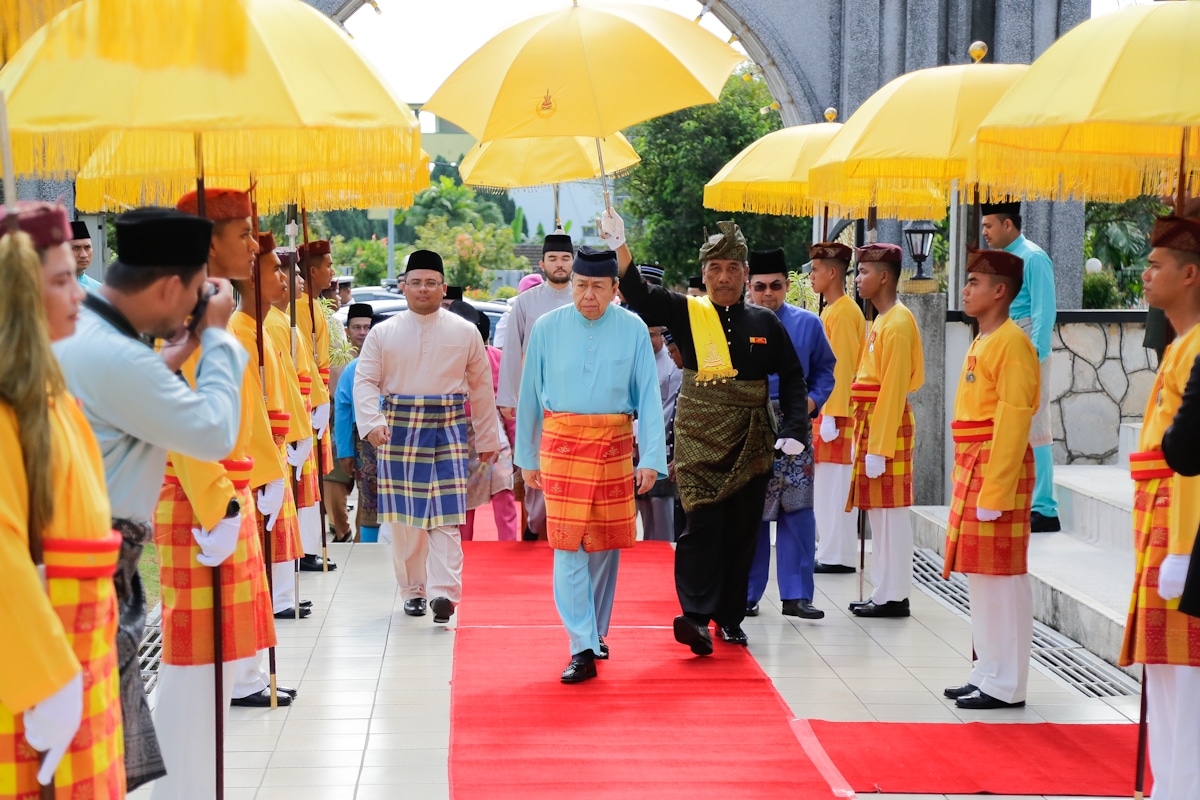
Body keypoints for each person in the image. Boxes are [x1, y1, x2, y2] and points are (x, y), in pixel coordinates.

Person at [55, 207, 249, 788]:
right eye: (192, 293)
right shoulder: (117, 355)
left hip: (85, 556)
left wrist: (178, 350)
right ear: (172, 287)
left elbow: (129, 390)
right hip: (84, 570)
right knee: (87, 758)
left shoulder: (87, 330)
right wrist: (216, 337)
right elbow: (213, 429)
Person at [606, 212, 811, 654]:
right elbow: (640, 294)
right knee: (699, 526)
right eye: (715, 269)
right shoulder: (687, 310)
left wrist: (795, 428)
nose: (724, 277)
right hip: (698, 438)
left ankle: (730, 617)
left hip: (751, 441)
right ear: (704, 275)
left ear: (745, 275)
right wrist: (620, 242)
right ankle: (695, 616)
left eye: (733, 269)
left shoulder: (765, 322)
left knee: (741, 532)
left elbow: (793, 378)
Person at [150, 188, 277, 800]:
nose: (254, 245)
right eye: (243, 233)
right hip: (202, 500)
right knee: (193, 664)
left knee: (214, 667)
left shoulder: (214, 307)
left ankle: (192, 786)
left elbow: (239, 412)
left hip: (224, 494)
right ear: (209, 242)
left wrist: (261, 477)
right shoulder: (183, 314)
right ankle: (178, 788)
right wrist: (220, 506)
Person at [0, 202, 125, 797]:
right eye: (59, 281)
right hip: (36, 666)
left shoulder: (54, 396)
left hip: (82, 650)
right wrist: (42, 679)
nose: (79, 293)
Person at [515, 248, 666, 682]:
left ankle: (596, 632)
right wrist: (526, 457)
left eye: (598, 286)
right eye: (580, 285)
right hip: (561, 446)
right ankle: (579, 644)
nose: (587, 295)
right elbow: (529, 395)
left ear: (615, 289)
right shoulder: (546, 327)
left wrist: (651, 459)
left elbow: (649, 397)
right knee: (568, 545)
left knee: (603, 545)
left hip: (615, 445)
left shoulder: (634, 327)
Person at [354, 250, 503, 624]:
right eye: (416, 282)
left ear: (443, 287)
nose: (423, 289)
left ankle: (444, 593)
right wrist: (371, 423)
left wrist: (489, 440)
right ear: (404, 287)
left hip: (448, 427)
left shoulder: (465, 331)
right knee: (405, 521)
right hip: (397, 429)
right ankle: (414, 592)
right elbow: (366, 381)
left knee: (447, 515)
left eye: (431, 283)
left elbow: (482, 389)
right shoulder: (382, 332)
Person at [1119, 214, 1200, 799]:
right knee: (1165, 664)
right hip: (1160, 506)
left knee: (1184, 666)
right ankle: (1169, 783)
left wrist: (1185, 547)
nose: (1144, 274)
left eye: (1156, 265)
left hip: (1182, 512)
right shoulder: (1181, 343)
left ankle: (1183, 785)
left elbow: (1193, 457)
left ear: (1190, 274)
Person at [941, 249, 1040, 710]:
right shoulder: (984, 339)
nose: (966, 289)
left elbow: (1015, 420)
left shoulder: (1013, 343)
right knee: (981, 576)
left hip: (997, 466)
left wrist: (996, 488)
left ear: (999, 291)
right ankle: (986, 671)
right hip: (974, 462)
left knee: (1002, 578)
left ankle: (1006, 683)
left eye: (975, 281)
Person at [225, 233, 306, 710]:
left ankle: (252, 674)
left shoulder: (260, 328)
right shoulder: (239, 331)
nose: (282, 277)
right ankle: (244, 678)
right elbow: (248, 409)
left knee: (254, 577)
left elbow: (281, 398)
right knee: (244, 581)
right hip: (250, 465)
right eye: (274, 269)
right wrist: (268, 471)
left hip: (268, 456)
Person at [743, 248, 835, 620]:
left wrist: (812, 403)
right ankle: (747, 591)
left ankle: (797, 595)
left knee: (798, 509)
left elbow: (826, 370)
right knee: (752, 512)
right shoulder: (739, 323)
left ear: (786, 285)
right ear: (749, 286)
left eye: (776, 286)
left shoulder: (808, 324)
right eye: (761, 287)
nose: (769, 294)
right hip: (752, 425)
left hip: (796, 420)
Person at [846, 243, 925, 618]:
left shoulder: (897, 322)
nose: (858, 279)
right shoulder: (880, 320)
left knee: (892, 514)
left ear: (884, 276)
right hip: (873, 420)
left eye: (863, 272)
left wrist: (878, 447)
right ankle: (883, 589)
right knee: (879, 512)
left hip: (886, 424)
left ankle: (895, 593)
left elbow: (893, 388)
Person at [982, 202, 1059, 533]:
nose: (984, 232)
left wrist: (1036, 357)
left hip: (1027, 344)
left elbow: (1044, 310)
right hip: (1004, 343)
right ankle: (1019, 497)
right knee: (1009, 423)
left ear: (1008, 224)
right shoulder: (1002, 261)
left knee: (1035, 424)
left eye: (988, 226)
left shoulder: (1033, 257)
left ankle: (1045, 507)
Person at [497, 233, 575, 541]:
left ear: (573, 263)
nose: (559, 265)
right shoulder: (526, 302)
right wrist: (508, 396)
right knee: (536, 462)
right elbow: (512, 351)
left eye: (565, 259)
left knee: (568, 465)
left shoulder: (583, 299)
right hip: (534, 397)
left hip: (573, 398)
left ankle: (563, 526)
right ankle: (536, 522)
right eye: (553, 259)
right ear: (542, 264)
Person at [808, 242, 867, 574]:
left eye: (816, 270)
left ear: (832, 273)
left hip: (838, 414)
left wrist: (831, 413)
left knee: (835, 486)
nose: (812, 275)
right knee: (827, 486)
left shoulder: (843, 312)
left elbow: (841, 368)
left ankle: (838, 553)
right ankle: (831, 549)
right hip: (830, 412)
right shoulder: (832, 309)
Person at [448, 300, 519, 542]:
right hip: (457, 437)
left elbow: (509, 407)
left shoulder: (497, 359)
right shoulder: (442, 361)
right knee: (463, 501)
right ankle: (465, 552)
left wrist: (517, 445)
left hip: (494, 433)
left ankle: (508, 551)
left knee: (503, 489)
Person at [634, 265, 682, 542]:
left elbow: (672, 406)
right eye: (647, 334)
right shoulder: (631, 357)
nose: (652, 340)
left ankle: (662, 553)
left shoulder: (673, 362)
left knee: (661, 508)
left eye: (656, 335)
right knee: (639, 504)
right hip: (632, 443)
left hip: (662, 442)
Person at [295, 240, 335, 571]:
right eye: (329, 266)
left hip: (314, 400)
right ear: (312, 270)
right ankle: (304, 548)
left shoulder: (313, 307)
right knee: (304, 479)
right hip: (305, 403)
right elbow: (309, 364)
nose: (333, 272)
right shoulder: (300, 308)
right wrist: (319, 400)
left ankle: (307, 545)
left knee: (310, 479)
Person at [334, 304, 379, 541]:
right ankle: (366, 543)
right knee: (370, 498)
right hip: (366, 440)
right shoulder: (352, 367)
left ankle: (369, 544)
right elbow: (342, 410)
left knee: (370, 498)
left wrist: (345, 452)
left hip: (374, 439)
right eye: (358, 327)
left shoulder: (356, 366)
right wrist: (344, 450)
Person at [70, 218, 102, 291]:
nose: (83, 255)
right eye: (76, 248)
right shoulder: (47, 288)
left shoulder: (99, 290)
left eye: (87, 247)